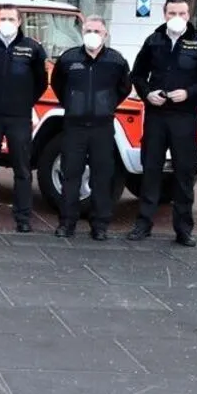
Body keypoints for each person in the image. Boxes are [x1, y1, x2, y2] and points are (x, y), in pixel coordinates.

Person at [128, 0, 197, 246]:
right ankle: (143, 224)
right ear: (164, 13)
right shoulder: (154, 40)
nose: (176, 18)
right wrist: (147, 93)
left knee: (184, 172)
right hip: (157, 115)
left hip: (184, 116)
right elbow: (136, 74)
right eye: (172, 13)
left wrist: (189, 93)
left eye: (181, 13)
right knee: (151, 171)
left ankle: (183, 229)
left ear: (188, 15)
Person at [50, 15, 131, 240]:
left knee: (102, 177)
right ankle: (67, 223)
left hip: (102, 128)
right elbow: (58, 85)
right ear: (82, 33)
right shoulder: (68, 59)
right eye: (88, 30)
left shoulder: (116, 61)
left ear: (105, 35)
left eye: (97, 31)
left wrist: (106, 105)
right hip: (74, 127)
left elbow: (124, 87)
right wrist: (73, 104)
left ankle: (100, 225)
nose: (92, 35)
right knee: (71, 175)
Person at [0, 4, 48, 232]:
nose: (6, 22)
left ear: (19, 22)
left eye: (11, 18)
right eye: (3, 18)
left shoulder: (32, 48)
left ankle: (23, 218)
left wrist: (25, 102)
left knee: (22, 169)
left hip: (19, 117)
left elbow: (41, 82)